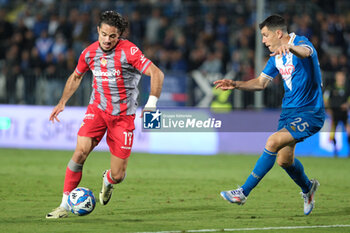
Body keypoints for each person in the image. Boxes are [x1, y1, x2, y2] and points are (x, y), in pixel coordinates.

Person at [46, 11, 164, 219]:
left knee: (118, 175)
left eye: (113, 36)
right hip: (97, 111)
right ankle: (64, 204)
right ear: (98, 31)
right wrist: (62, 101)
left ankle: (108, 181)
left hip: (123, 117)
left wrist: (152, 103)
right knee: (80, 152)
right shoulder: (89, 53)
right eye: (104, 34)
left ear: (119, 36)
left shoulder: (130, 52)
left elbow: (157, 73)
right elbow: (76, 76)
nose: (107, 40)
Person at [214, 15, 325, 216]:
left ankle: (242, 193)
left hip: (310, 112)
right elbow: (261, 83)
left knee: (272, 141)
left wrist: (290, 48)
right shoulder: (276, 56)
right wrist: (236, 84)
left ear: (278, 33)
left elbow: (306, 53)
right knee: (284, 160)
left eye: (265, 35)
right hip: (288, 113)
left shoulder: (301, 43)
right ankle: (308, 188)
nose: (263, 40)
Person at [324, 70, 350, 157]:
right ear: (336, 78)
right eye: (339, 77)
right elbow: (325, 98)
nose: (341, 79)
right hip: (334, 113)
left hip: (344, 114)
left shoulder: (347, 88)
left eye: (342, 77)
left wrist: (347, 104)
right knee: (332, 133)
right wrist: (328, 109)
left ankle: (349, 152)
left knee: (348, 131)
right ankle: (335, 151)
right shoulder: (331, 88)